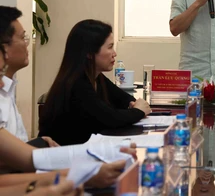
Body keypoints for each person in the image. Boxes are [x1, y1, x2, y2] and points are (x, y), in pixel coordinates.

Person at [0, 37, 134, 192]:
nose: (3, 84)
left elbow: (28, 158)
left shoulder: (97, 79)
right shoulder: (78, 83)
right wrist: (83, 174)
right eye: (22, 37)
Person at [38, 19, 151, 145]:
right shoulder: (77, 84)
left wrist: (133, 106)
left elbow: (125, 99)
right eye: (110, 47)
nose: (114, 54)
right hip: (61, 158)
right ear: (90, 53)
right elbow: (110, 118)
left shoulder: (97, 77)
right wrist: (138, 111)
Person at [0, 6, 58, 146]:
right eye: (22, 38)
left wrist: (37, 145)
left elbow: (15, 145)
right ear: (4, 48)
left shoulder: (8, 88)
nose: (27, 44)